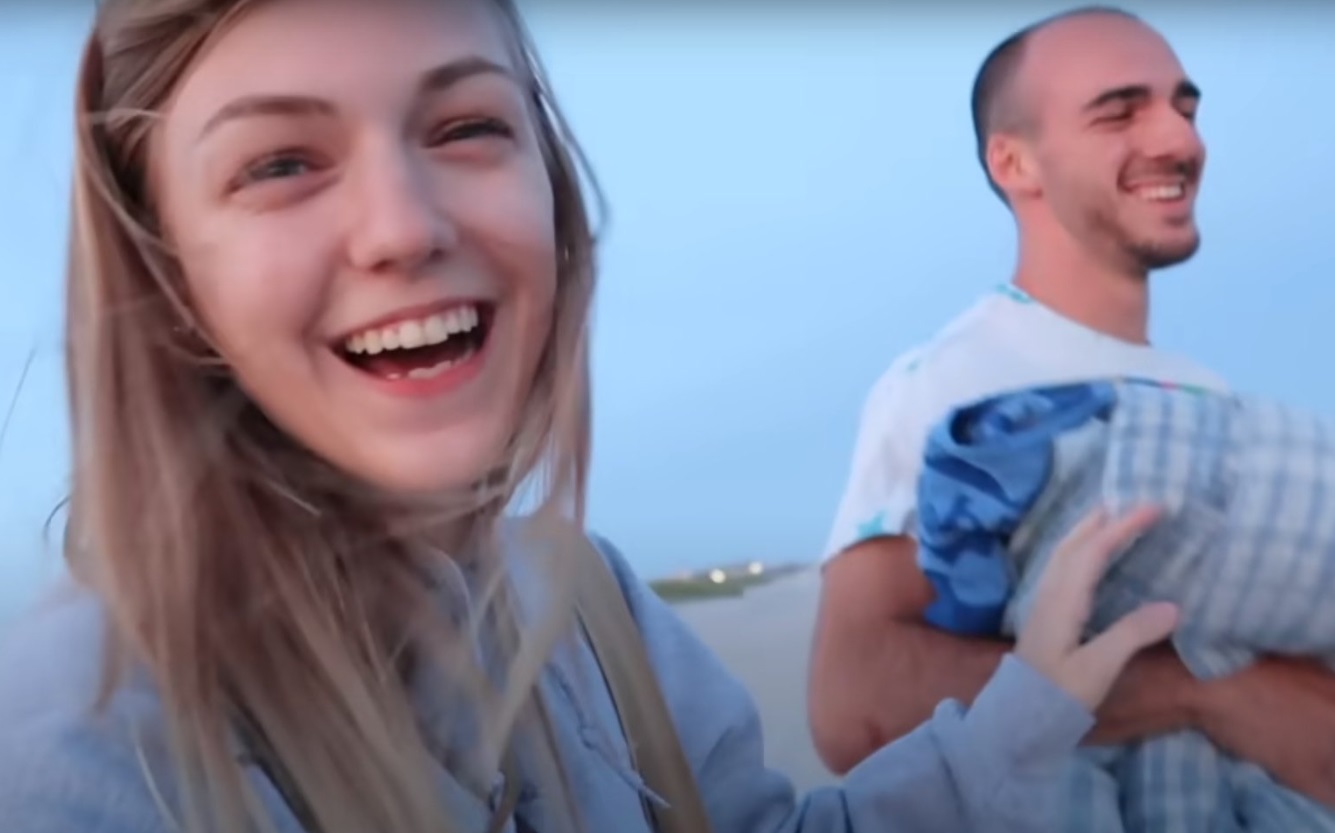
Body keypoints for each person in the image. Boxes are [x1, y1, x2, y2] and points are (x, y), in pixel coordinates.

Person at [0, 1, 1176, 832]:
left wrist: (1034, 692)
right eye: (279, 164)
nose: (403, 227)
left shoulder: (589, 600)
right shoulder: (84, 750)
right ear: (165, 274)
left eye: (465, 127)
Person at [807, 3, 1335, 813]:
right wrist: (1217, 695)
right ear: (1014, 160)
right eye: (1119, 111)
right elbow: (854, 701)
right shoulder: (956, 387)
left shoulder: (1204, 391)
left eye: (1184, 107)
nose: (1179, 140)